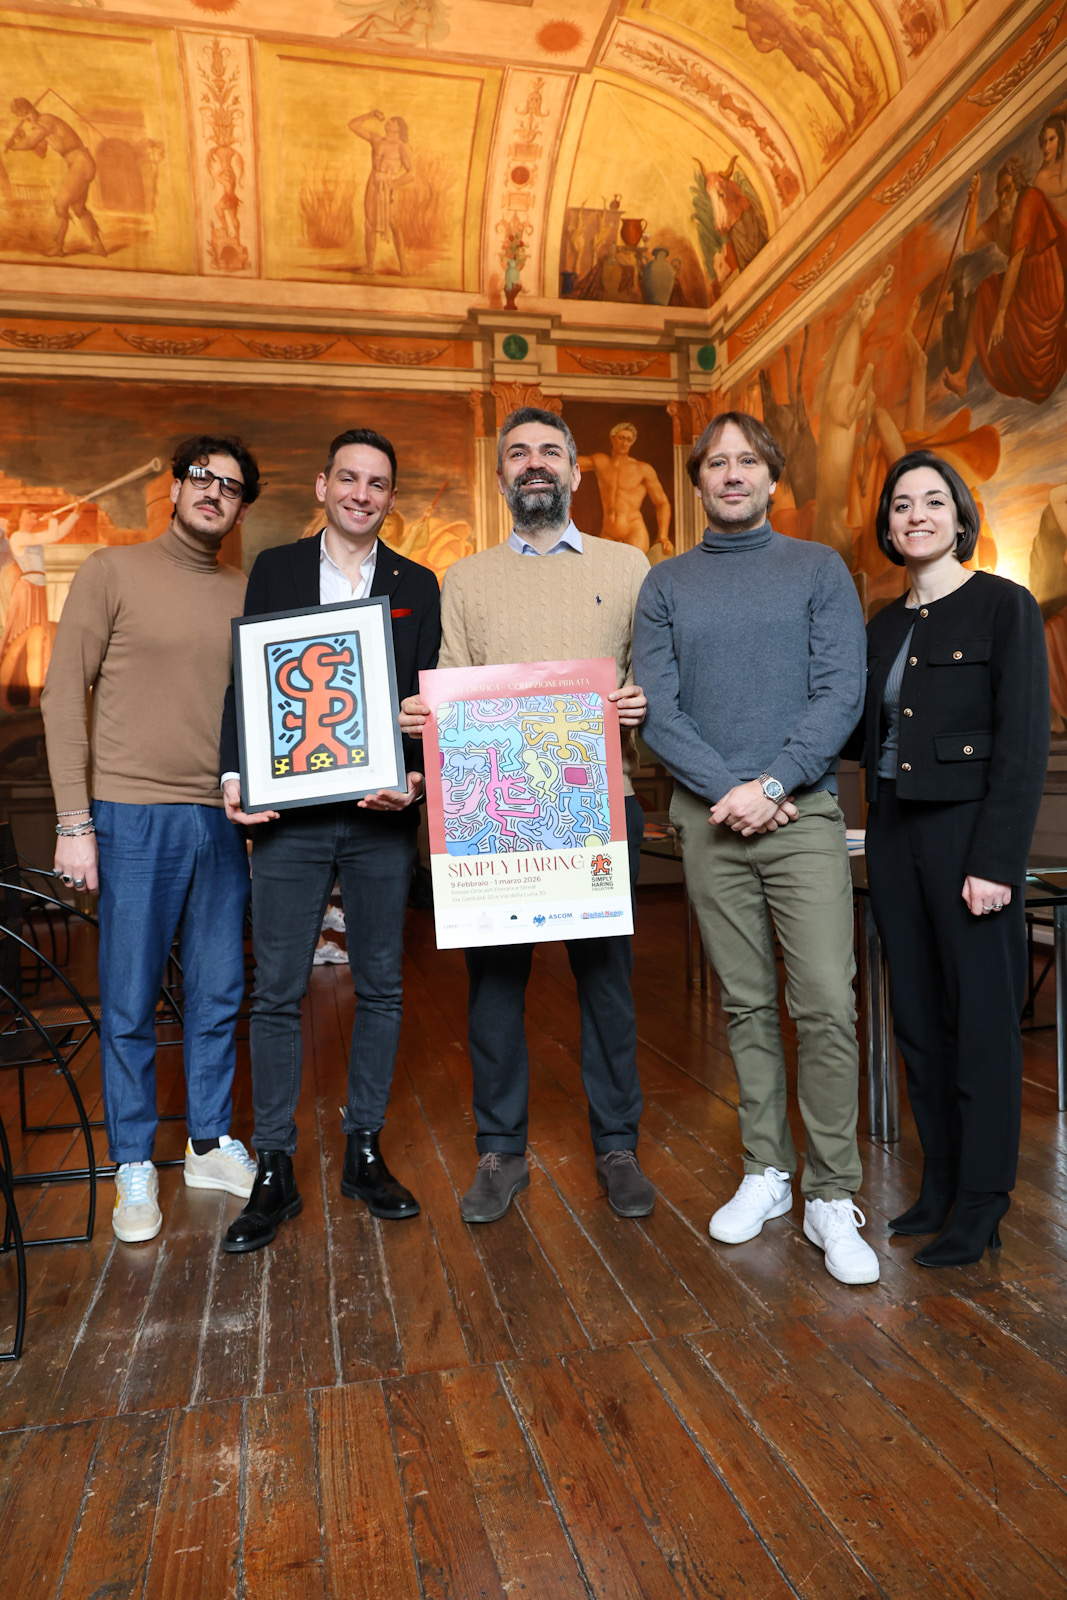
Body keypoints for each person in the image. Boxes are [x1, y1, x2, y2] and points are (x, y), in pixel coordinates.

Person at [633, 412, 878, 1285]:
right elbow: (657, 707)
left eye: (747, 462)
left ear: (772, 478)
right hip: (709, 819)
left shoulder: (817, 568)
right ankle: (767, 1172)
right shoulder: (665, 583)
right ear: (697, 481)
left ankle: (831, 1194)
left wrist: (770, 786)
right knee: (744, 1005)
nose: (731, 474)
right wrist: (729, 793)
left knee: (825, 1003)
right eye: (715, 463)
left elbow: (840, 691)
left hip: (800, 814)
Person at [400, 406, 655, 1223]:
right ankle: (500, 1152)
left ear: (575, 471)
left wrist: (641, 700)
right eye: (518, 453)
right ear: (501, 475)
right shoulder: (465, 579)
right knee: (493, 990)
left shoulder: (629, 564)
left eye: (550, 451)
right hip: (496, 818)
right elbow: (452, 682)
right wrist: (425, 716)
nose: (534, 463)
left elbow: (655, 677)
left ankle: (617, 1146)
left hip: (601, 807)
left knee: (606, 987)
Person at [219, 428, 440, 1253]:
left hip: (381, 820)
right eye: (348, 478)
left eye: (376, 483)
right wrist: (236, 774)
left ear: (390, 498)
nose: (360, 494)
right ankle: (274, 1166)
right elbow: (246, 681)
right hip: (291, 821)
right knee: (277, 991)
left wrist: (414, 776)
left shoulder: (417, 583)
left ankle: (364, 1152)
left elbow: (426, 702)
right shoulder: (275, 568)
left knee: (381, 987)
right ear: (322, 486)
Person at [40, 437, 261, 1244]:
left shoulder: (247, 592)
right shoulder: (111, 571)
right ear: (174, 489)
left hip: (220, 818)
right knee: (130, 998)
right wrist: (74, 822)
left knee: (218, 993)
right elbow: (63, 694)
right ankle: (132, 1161)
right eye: (202, 477)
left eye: (231, 486)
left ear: (240, 508)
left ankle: (207, 1144)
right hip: (129, 813)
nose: (214, 491)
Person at [852, 450, 1048, 1266]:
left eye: (933, 501)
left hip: (968, 838)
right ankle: (937, 1184)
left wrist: (995, 862)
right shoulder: (880, 624)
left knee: (980, 1027)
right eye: (902, 505)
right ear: (888, 525)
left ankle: (980, 1203)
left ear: (960, 517)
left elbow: (1022, 746)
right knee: (918, 1021)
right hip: (892, 831)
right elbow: (853, 731)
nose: (916, 516)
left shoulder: (1004, 606)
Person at [5, 98, 107, 257]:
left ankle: (58, 247)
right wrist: (21, 138)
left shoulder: (45, 120)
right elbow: (40, 152)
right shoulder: (40, 127)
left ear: (28, 110)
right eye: (22, 117)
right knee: (79, 208)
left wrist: (14, 146)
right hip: (80, 164)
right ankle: (98, 246)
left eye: (24, 116)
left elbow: (30, 142)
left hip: (81, 162)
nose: (25, 120)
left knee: (60, 204)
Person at [577, 423, 673, 557]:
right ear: (612, 438)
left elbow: (662, 503)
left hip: (634, 531)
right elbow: (571, 463)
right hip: (608, 532)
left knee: (635, 568)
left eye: (628, 439)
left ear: (632, 442)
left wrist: (663, 535)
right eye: (621, 438)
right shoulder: (601, 462)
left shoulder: (642, 469)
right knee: (603, 568)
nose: (624, 443)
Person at [348, 111, 414, 275]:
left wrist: (393, 185)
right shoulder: (376, 140)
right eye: (388, 120)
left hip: (389, 186)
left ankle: (404, 267)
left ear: (398, 128)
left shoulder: (402, 147)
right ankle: (369, 267)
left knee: (394, 224)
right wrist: (371, 114)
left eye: (392, 121)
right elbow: (353, 125)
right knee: (369, 224)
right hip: (373, 183)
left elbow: (412, 173)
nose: (388, 122)